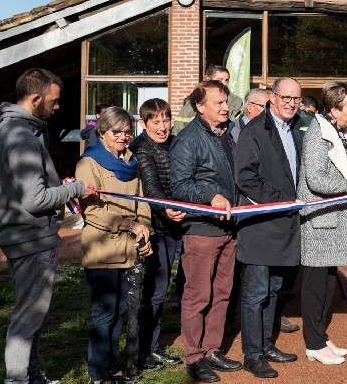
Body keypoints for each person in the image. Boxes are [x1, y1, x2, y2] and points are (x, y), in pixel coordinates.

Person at [0, 69, 93, 384]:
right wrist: (76, 189)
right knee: (27, 317)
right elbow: (36, 200)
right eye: (54, 100)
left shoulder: (12, 130)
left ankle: (31, 376)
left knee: (32, 315)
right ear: (35, 98)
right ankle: (18, 379)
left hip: (25, 237)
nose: (58, 106)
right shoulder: (21, 137)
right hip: (30, 239)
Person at [297, 81, 347, 364]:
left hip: (333, 219)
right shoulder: (318, 133)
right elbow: (315, 179)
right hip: (321, 221)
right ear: (332, 108)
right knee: (316, 285)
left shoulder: (339, 130)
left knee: (328, 283)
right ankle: (314, 343)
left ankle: (319, 336)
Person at [169, 80, 242, 383]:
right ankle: (194, 356)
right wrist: (211, 195)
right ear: (199, 107)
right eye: (219, 103)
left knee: (222, 293)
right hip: (202, 229)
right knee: (198, 295)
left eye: (226, 101)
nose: (226, 107)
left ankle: (212, 349)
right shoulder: (188, 139)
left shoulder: (227, 134)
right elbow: (180, 184)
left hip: (230, 228)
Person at [77, 107, 154, 384]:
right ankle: (98, 375)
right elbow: (90, 211)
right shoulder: (89, 163)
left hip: (129, 249)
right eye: (116, 131)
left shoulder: (132, 161)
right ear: (102, 132)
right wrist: (128, 225)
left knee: (119, 312)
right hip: (102, 251)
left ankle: (113, 370)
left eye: (127, 131)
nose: (123, 136)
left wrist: (145, 233)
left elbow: (143, 201)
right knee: (104, 315)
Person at [235, 77, 305, 378]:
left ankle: (265, 345)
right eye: (285, 97)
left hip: (285, 225)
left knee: (275, 290)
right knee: (255, 294)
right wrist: (284, 200)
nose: (291, 103)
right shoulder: (254, 131)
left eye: (296, 99)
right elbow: (246, 178)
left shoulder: (299, 128)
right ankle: (252, 354)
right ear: (272, 99)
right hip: (261, 225)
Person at [129, 99, 186, 372]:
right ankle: (144, 351)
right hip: (153, 228)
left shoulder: (176, 142)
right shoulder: (140, 148)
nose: (162, 127)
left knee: (159, 291)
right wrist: (168, 207)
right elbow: (151, 185)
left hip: (172, 226)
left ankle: (151, 348)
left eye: (166, 120)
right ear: (143, 124)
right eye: (156, 122)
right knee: (153, 291)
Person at [171, 65, 244, 135]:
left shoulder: (236, 101)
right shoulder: (195, 99)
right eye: (219, 80)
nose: (224, 84)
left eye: (226, 80)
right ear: (208, 80)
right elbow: (179, 127)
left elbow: (235, 127)